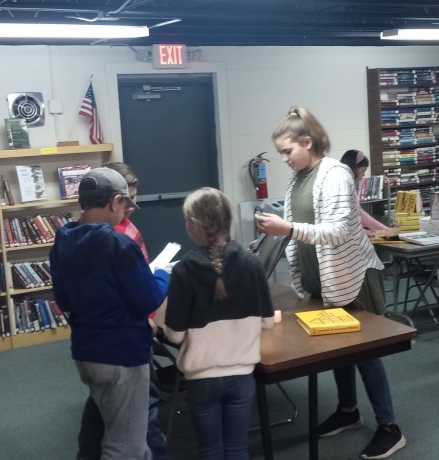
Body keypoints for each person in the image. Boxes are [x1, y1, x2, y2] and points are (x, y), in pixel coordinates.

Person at [254, 107, 407, 459]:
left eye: (287, 151)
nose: (284, 159)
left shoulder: (335, 174)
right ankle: (348, 410)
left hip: (352, 279)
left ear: (308, 142)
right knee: (339, 349)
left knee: (366, 354)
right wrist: (273, 234)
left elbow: (337, 232)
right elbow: (301, 228)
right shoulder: (298, 179)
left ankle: (389, 427)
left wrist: (286, 228)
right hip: (323, 281)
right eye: (280, 153)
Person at [51, 167, 169, 460]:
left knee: (118, 433)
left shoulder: (63, 239)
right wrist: (163, 275)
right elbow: (148, 299)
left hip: (86, 353)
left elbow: (64, 300)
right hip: (122, 356)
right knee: (125, 449)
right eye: (126, 203)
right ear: (115, 201)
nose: (127, 210)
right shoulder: (118, 244)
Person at [157, 187, 275, 459]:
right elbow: (268, 322)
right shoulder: (252, 263)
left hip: (202, 379)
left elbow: (175, 336)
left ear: (193, 224)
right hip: (242, 375)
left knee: (210, 450)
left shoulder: (183, 270)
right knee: (237, 448)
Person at [339, 149, 390, 235]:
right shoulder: (345, 185)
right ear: (353, 168)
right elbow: (360, 214)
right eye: (363, 171)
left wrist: (371, 232)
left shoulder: (343, 181)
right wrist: (385, 230)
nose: (364, 175)